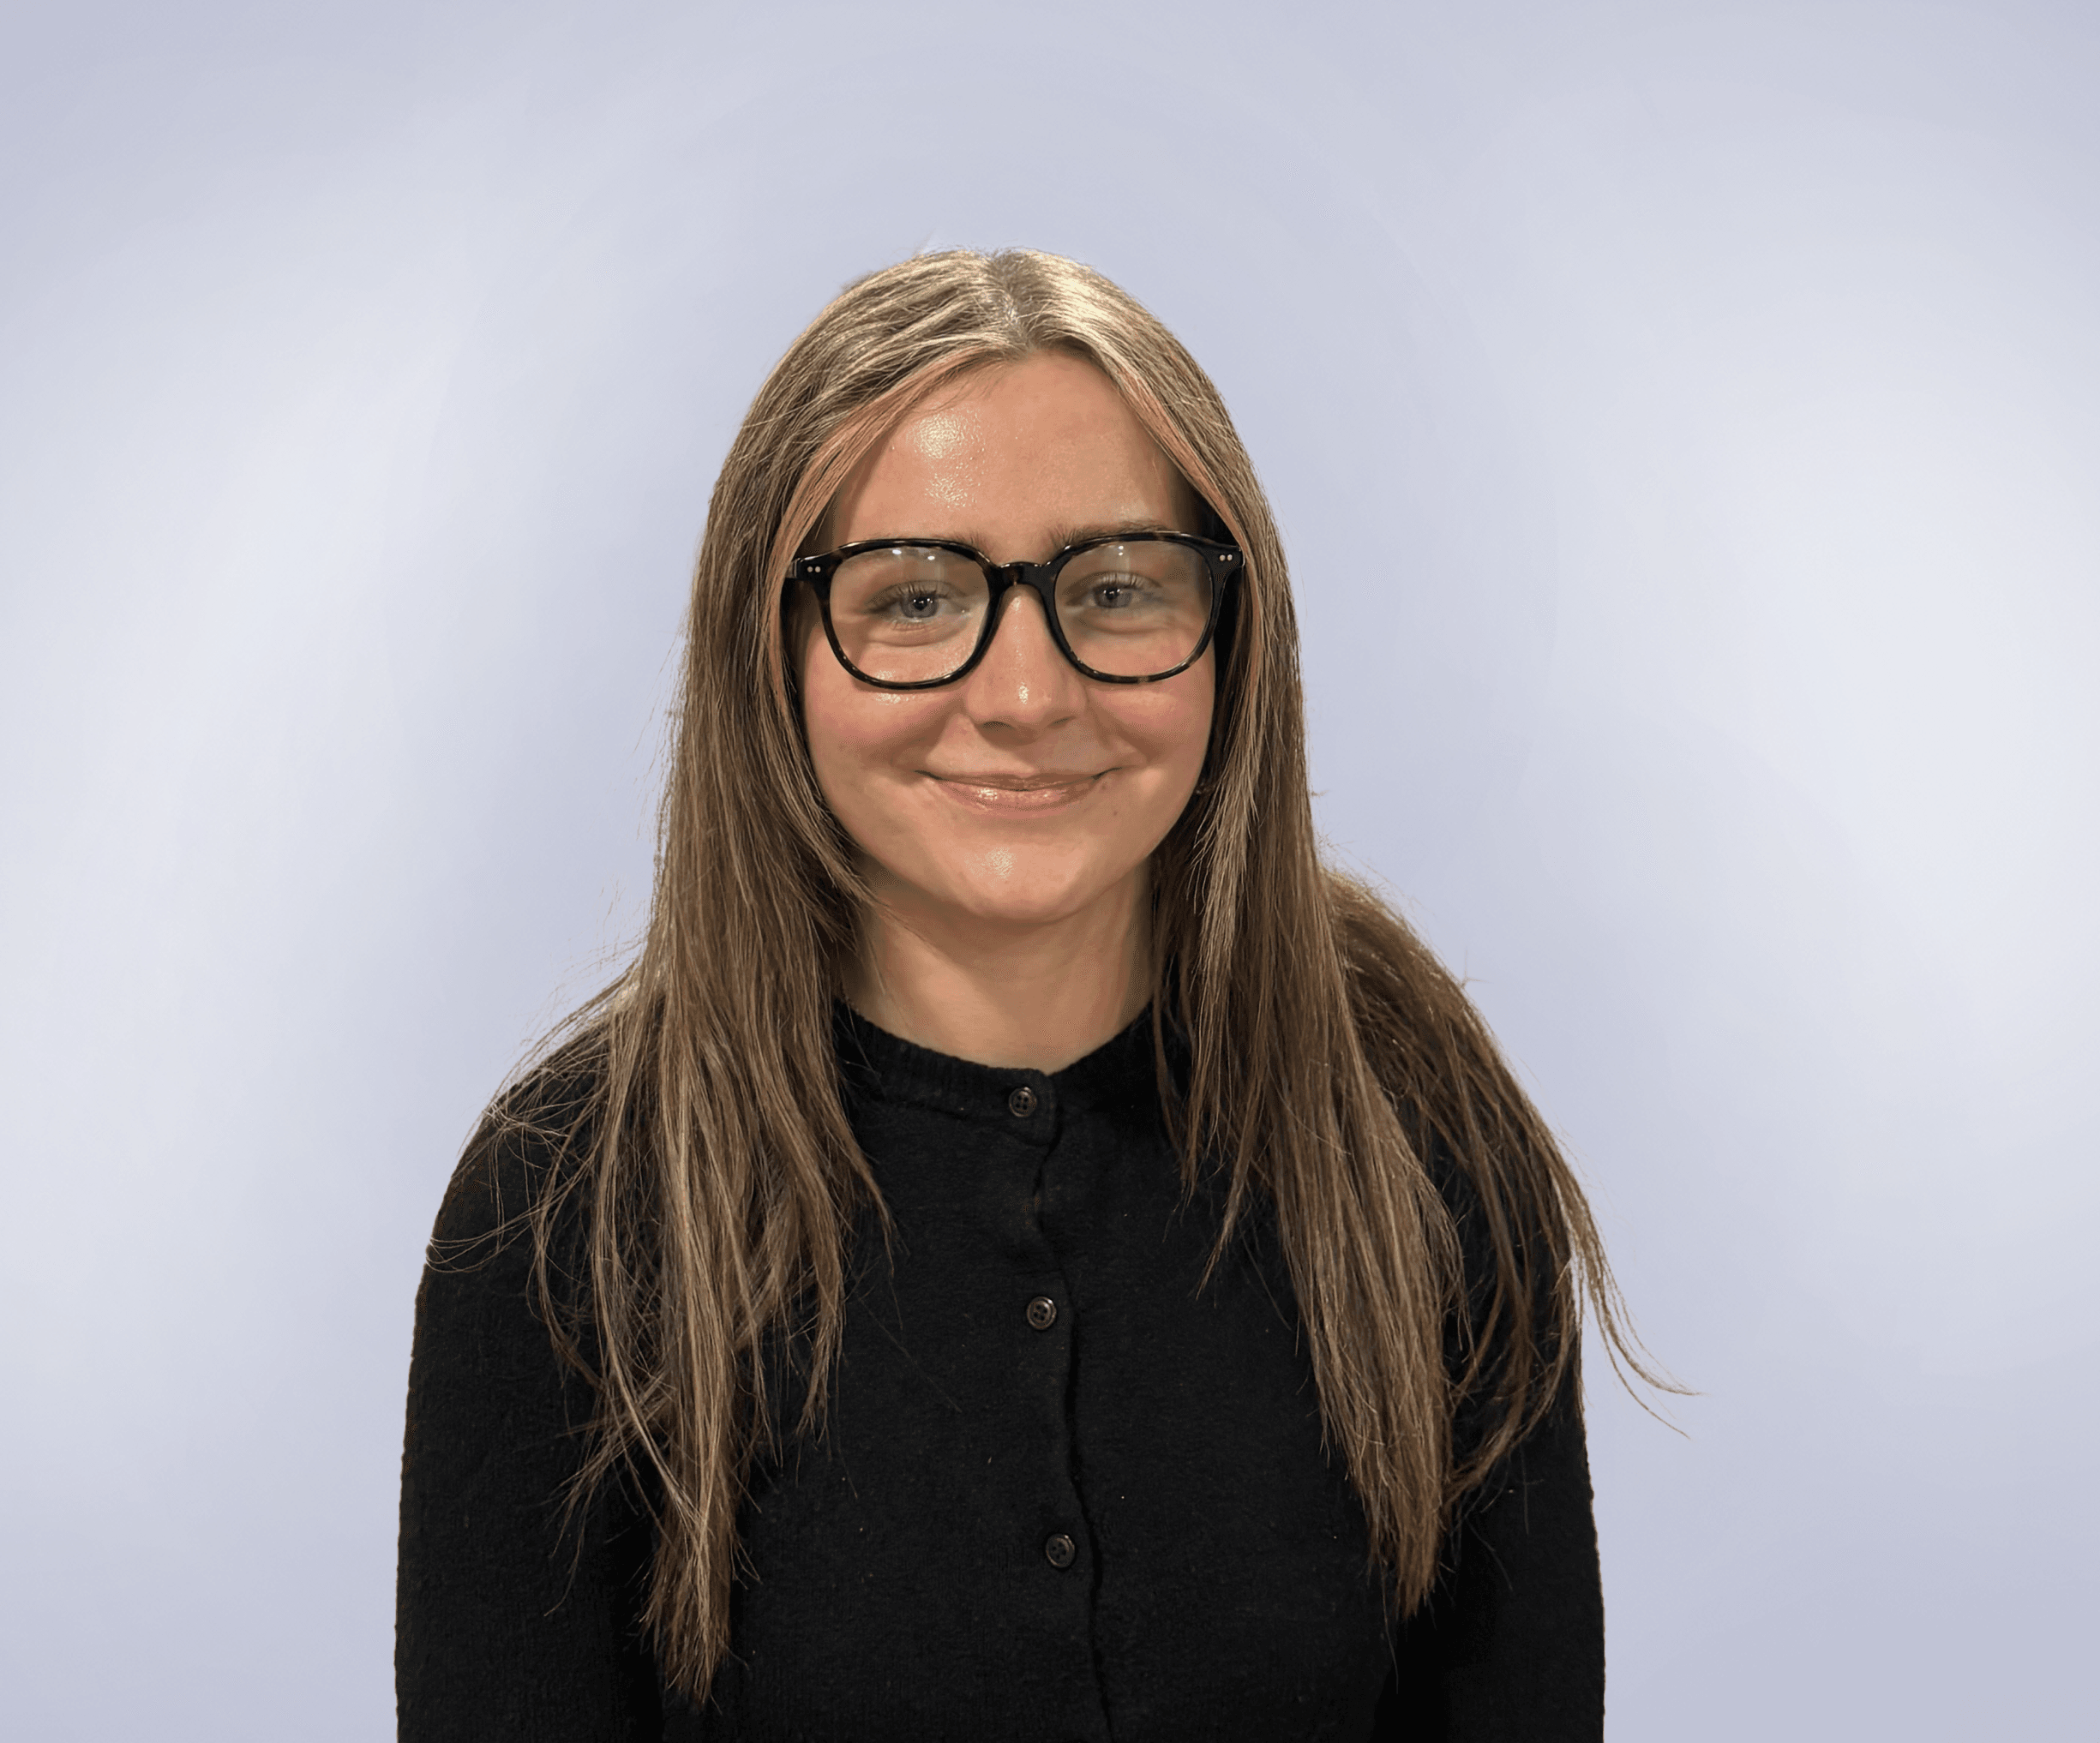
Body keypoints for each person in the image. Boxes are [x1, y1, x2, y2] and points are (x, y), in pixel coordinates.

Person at [396, 249, 1645, 1741]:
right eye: (916, 597)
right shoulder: (565, 1209)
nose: (1027, 695)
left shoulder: (1414, 1127)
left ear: (1234, 637)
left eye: (1114, 589)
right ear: (769, 653)